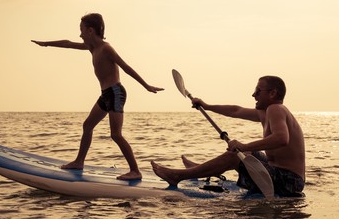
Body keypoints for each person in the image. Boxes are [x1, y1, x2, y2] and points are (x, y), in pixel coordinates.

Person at [32, 13, 164, 180]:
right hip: (105, 94)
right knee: (87, 126)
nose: (79, 35)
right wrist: (46, 44)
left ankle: (135, 171)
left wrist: (146, 86)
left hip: (116, 92)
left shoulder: (106, 48)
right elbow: (68, 43)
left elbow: (125, 67)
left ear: (90, 30)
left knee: (116, 134)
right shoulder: (91, 47)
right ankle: (79, 161)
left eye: (81, 30)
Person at [151, 76, 306, 197]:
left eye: (258, 91)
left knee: (236, 156)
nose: (253, 95)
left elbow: (281, 138)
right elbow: (235, 111)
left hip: (289, 182)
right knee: (245, 154)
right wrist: (207, 106)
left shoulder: (275, 109)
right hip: (278, 173)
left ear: (272, 93)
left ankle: (177, 176)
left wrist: (244, 146)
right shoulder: (266, 112)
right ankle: (199, 169)